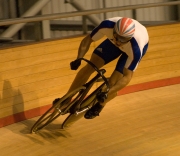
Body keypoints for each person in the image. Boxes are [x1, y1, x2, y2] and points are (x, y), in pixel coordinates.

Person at [55, 17, 149, 119]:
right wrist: (79, 58)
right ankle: (67, 98)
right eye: (117, 37)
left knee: (112, 83)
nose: (118, 42)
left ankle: (100, 105)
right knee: (89, 67)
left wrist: (107, 93)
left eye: (123, 39)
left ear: (129, 38)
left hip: (130, 50)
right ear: (113, 30)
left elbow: (127, 77)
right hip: (111, 43)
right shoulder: (107, 25)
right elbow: (88, 39)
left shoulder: (136, 49)